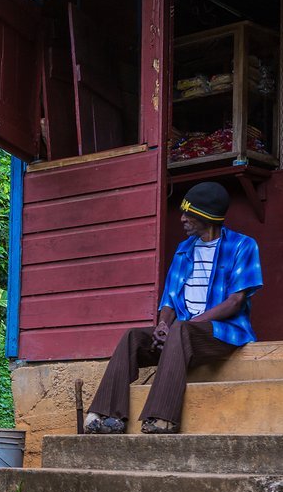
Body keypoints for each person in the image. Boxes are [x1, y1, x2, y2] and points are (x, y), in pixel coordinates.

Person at [84, 181, 263, 434]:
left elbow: (235, 302)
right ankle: (106, 416)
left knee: (180, 329)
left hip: (223, 333)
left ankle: (161, 417)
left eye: (189, 214)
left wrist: (184, 326)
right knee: (133, 337)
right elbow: (170, 299)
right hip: (182, 334)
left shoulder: (243, 246)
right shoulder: (183, 250)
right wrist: (161, 326)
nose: (182, 219)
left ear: (206, 217)